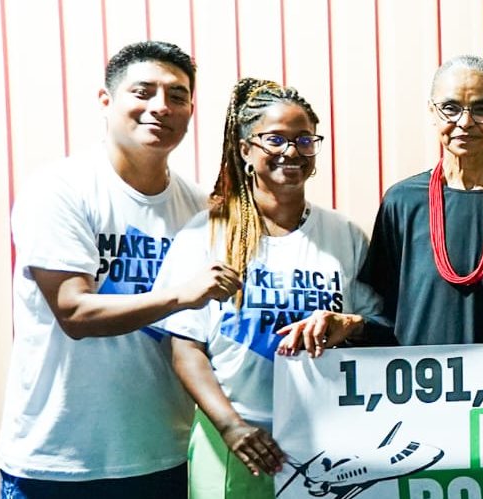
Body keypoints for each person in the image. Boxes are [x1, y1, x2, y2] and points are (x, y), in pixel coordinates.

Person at [0, 41, 241, 498]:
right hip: (59, 462)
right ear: (106, 102)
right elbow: (75, 313)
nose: (160, 107)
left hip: (161, 455)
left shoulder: (197, 207)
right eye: (143, 92)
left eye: (177, 95)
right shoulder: (60, 189)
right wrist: (184, 293)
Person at [152, 78, 380, 498]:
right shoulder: (206, 233)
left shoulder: (344, 234)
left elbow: (373, 325)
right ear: (245, 150)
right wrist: (232, 428)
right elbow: (185, 348)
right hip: (236, 443)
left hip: (326, 439)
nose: (291, 151)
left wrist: (347, 322)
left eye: (304, 140)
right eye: (275, 139)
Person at [360, 55, 483, 346]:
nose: (465, 122)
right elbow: (382, 311)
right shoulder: (402, 202)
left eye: (482, 109)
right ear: (432, 112)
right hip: (423, 385)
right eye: (450, 108)